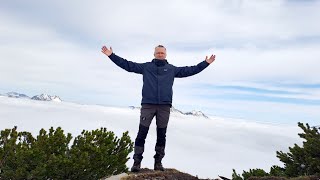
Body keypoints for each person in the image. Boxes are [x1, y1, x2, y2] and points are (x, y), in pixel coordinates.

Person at [101, 44, 215, 172]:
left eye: (162, 53)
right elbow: (128, 65)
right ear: (154, 54)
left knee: (161, 135)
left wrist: (206, 63)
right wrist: (111, 55)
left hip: (164, 107)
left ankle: (158, 163)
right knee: (141, 134)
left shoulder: (171, 69)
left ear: (165, 55)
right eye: (158, 53)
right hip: (148, 105)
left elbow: (190, 70)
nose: (160, 54)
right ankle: (136, 162)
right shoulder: (146, 67)